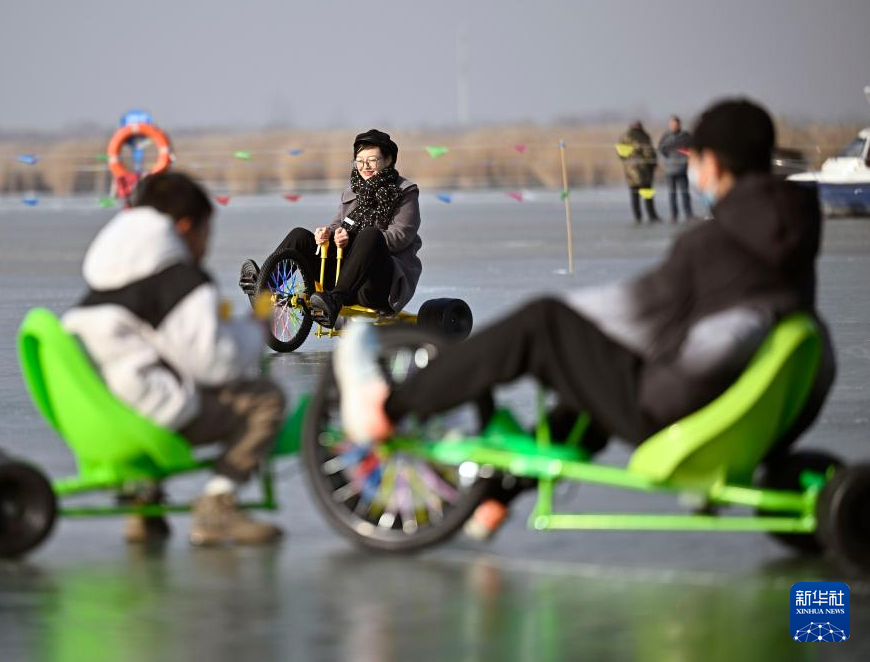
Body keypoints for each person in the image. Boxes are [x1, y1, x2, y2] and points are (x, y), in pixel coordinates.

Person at [333, 99, 836, 541]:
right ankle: (499, 495)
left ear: (715, 164)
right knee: (590, 386)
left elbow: (640, 309)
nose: (694, 173)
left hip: (676, 405)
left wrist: (570, 325)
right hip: (724, 398)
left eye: (695, 160)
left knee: (544, 322)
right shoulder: (782, 231)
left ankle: (389, 407)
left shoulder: (718, 242)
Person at [62, 171, 285, 546]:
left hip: (101, 410)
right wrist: (255, 331)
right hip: (148, 411)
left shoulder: (106, 275)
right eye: (205, 234)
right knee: (265, 400)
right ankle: (217, 505)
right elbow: (214, 363)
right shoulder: (178, 281)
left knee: (160, 376)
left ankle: (143, 503)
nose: (205, 246)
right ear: (185, 227)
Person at [239, 129, 422, 328]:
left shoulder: (405, 191)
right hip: (340, 273)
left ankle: (334, 300)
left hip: (376, 285)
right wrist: (327, 233)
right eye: (359, 161)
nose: (365, 166)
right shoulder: (353, 191)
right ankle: (264, 288)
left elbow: (401, 235)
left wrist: (352, 238)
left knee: (371, 236)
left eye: (372, 160)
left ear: (388, 160)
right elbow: (337, 225)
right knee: (300, 235)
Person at [619, 121, 661, 223]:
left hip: (631, 170)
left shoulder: (625, 136)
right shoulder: (643, 136)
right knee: (645, 193)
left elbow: (621, 154)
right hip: (643, 169)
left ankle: (638, 216)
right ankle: (651, 215)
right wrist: (652, 163)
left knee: (635, 193)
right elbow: (649, 152)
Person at [658, 115, 694, 222]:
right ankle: (674, 215)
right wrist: (667, 160)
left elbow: (692, 149)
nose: (674, 126)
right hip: (670, 170)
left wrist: (687, 158)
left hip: (683, 169)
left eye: (676, 124)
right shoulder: (666, 136)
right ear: (670, 125)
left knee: (685, 193)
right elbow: (661, 149)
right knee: (672, 194)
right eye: (672, 124)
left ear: (679, 124)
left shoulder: (685, 136)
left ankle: (688, 214)